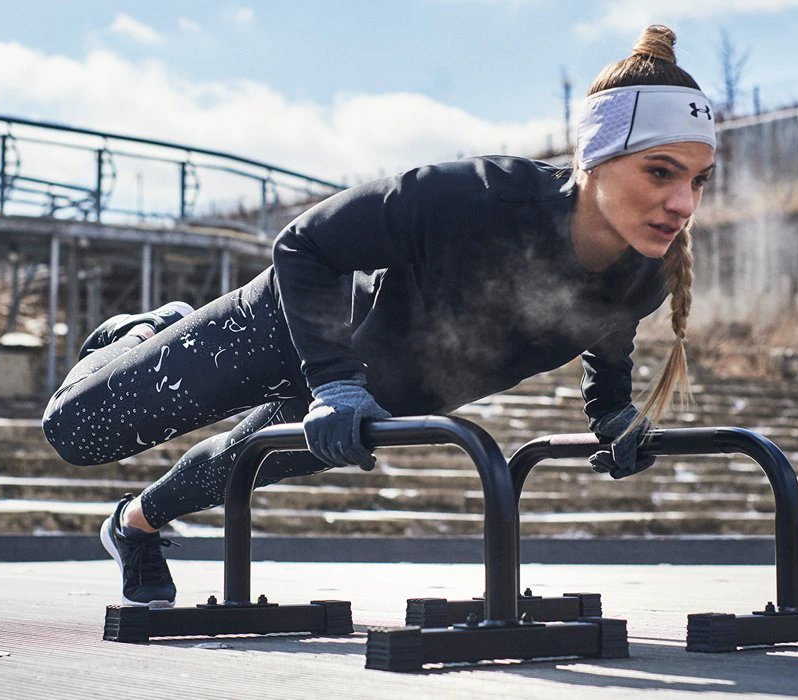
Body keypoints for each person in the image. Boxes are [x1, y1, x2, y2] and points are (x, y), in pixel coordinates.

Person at [42, 24, 717, 607]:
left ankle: (135, 526)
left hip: (384, 393)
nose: (683, 202)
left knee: (233, 467)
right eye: (660, 171)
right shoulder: (474, 198)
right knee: (77, 436)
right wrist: (333, 378)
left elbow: (604, 323)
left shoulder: (645, 275)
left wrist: (609, 410)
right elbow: (303, 244)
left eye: (696, 180)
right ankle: (141, 334)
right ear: (595, 158)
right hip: (295, 328)